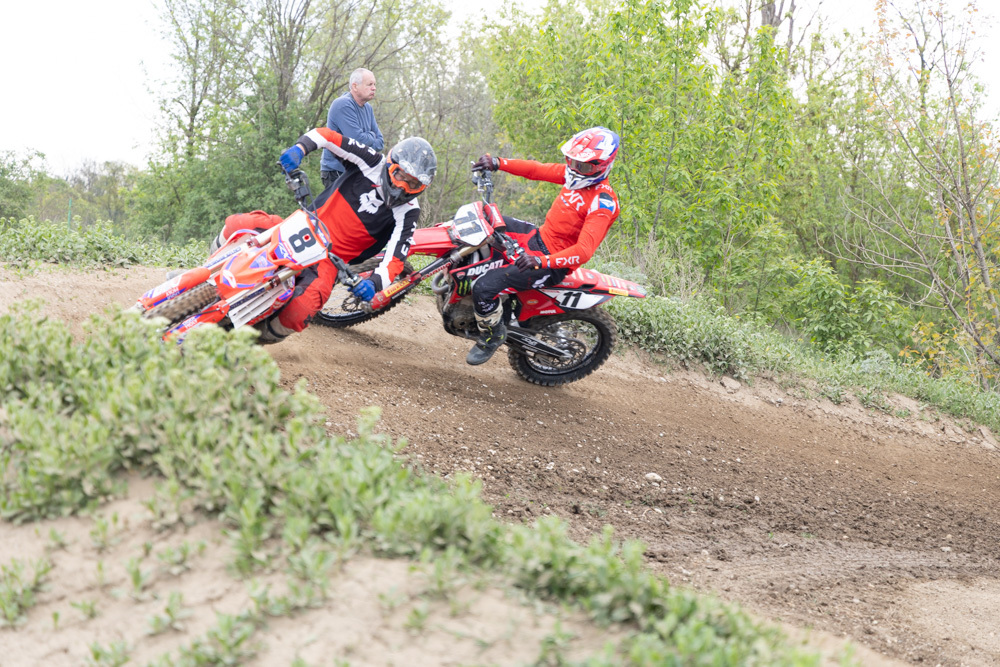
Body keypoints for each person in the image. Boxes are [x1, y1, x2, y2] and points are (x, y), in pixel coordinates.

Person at [210, 127, 435, 344]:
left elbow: (395, 258)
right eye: (400, 175)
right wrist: (299, 148)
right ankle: (208, 275)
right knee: (239, 225)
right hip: (301, 225)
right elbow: (328, 136)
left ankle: (250, 342)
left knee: (301, 310)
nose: (403, 187)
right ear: (390, 164)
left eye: (413, 184)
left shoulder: (408, 211)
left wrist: (374, 284)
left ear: (422, 187)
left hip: (329, 260)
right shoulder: (371, 161)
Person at [466, 126, 621, 365]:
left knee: (483, 288)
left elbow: (583, 251)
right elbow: (536, 170)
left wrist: (541, 261)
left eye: (583, 166)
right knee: (482, 219)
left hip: (551, 263)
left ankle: (492, 336)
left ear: (603, 166)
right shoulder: (573, 175)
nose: (574, 169)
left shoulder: (602, 202)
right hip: (537, 238)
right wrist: (498, 162)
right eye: (572, 161)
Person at [321, 68, 384, 189]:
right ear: (355, 86)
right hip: (337, 172)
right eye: (369, 84)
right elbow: (357, 141)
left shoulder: (368, 108)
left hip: (357, 171)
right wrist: (371, 135)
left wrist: (365, 140)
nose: (374, 88)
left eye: (374, 84)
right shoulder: (343, 104)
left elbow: (380, 142)